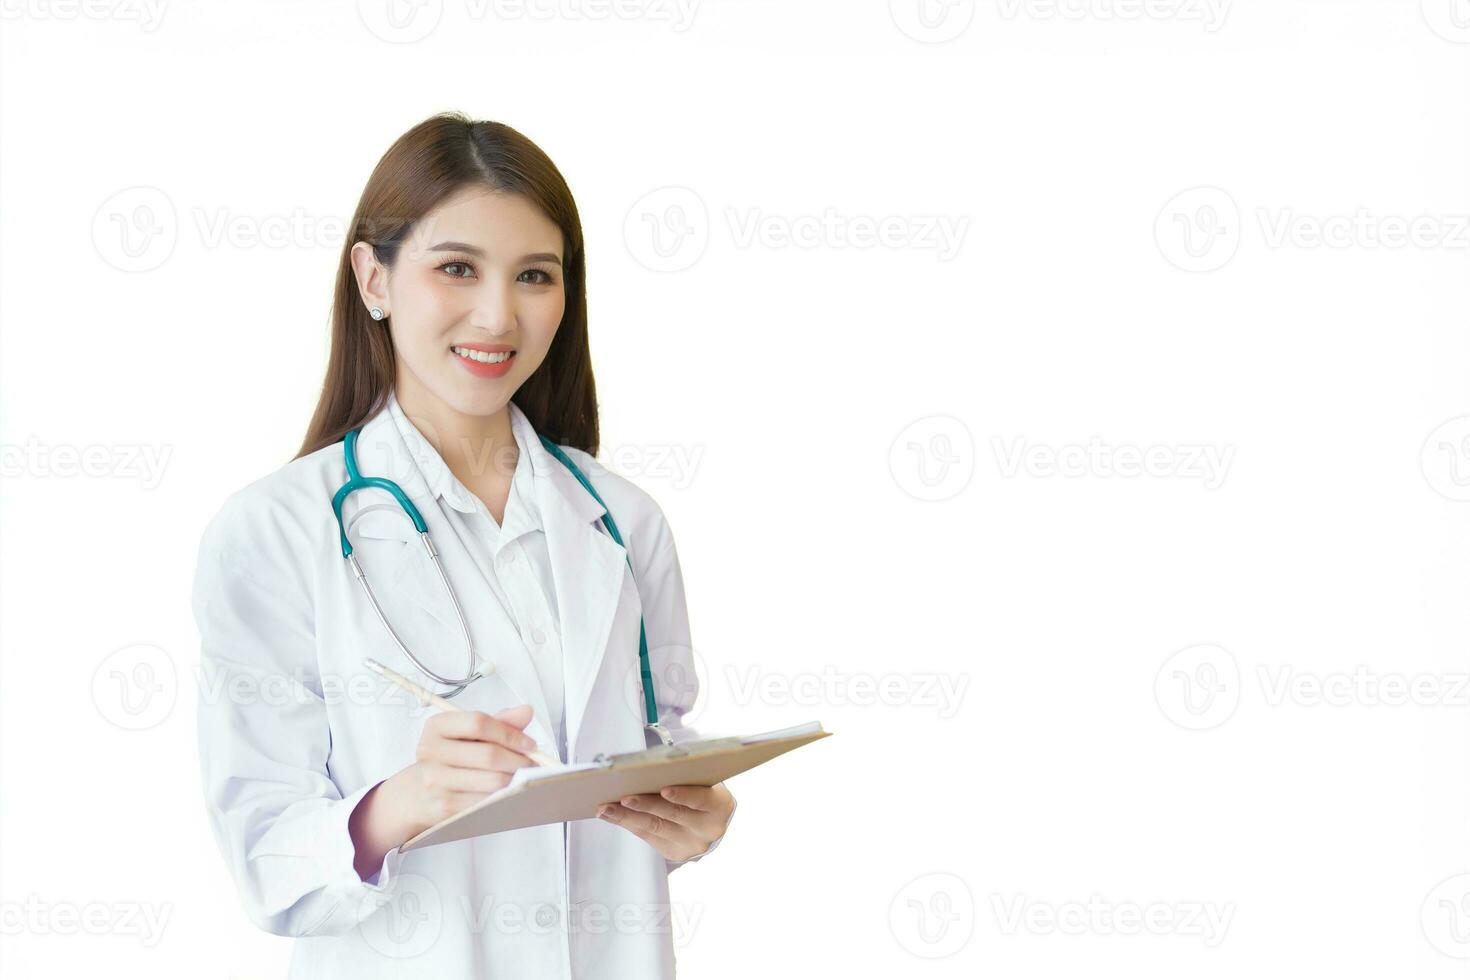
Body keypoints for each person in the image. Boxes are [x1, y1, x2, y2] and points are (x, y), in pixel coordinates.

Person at [191, 111, 735, 978]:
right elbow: (265, 861)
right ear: (374, 278)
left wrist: (690, 823)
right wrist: (399, 804)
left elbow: (654, 760)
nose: (498, 314)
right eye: (456, 268)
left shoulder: (624, 521)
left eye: (534, 275)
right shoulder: (276, 531)